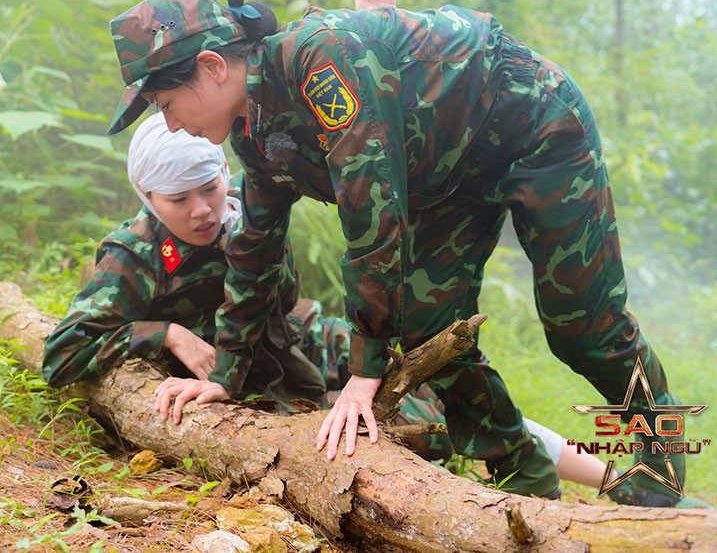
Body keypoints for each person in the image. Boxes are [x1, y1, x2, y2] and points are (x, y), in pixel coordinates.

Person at [103, 0, 695, 505]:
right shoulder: (253, 131)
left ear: (210, 67)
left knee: (582, 327)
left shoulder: (320, 60)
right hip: (443, 177)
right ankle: (521, 472)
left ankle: (658, 465)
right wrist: (227, 374)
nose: (171, 122)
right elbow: (256, 244)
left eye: (166, 102)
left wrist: (365, 371)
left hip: (532, 125)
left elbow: (373, 215)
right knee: (428, 331)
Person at [42, 110, 622, 497]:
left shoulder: (249, 211)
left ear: (226, 172)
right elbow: (62, 354)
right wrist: (166, 333)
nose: (201, 210)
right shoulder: (133, 254)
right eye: (178, 199)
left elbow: (347, 138)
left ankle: (617, 483)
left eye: (211, 189)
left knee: (444, 383)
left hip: (298, 339)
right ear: (145, 196)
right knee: (399, 427)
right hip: (252, 382)